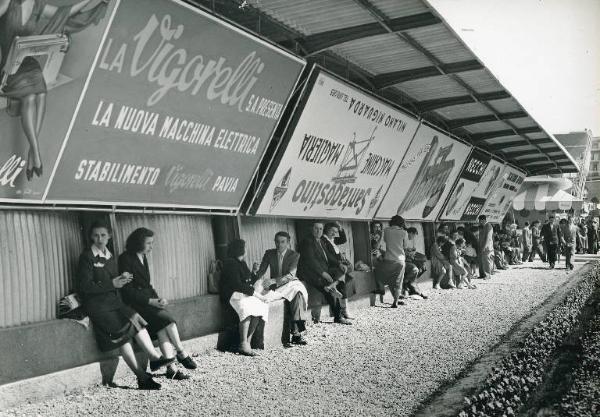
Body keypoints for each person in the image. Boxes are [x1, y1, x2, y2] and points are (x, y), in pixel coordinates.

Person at [0, 0, 110, 179]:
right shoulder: (8, 3)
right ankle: (35, 153)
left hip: (27, 63)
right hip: (7, 66)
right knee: (31, 96)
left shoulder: (37, 6)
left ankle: (32, 155)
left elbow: (64, 12)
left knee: (41, 94)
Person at [77, 222, 174, 390]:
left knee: (136, 319)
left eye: (103, 235)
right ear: (91, 237)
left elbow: (114, 281)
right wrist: (112, 283)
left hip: (114, 302)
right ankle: (142, 377)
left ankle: (154, 357)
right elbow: (85, 287)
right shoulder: (86, 257)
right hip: (98, 306)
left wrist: (122, 279)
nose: (99, 239)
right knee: (122, 335)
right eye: (95, 236)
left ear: (109, 236)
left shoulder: (111, 256)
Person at [118, 228, 196, 380]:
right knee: (168, 321)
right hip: (134, 305)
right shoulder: (125, 258)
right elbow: (127, 291)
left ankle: (171, 369)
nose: (151, 247)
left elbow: (147, 285)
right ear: (138, 242)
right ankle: (181, 352)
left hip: (147, 302)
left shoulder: (143, 257)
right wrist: (150, 301)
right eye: (148, 243)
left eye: (152, 243)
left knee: (162, 329)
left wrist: (158, 299)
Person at [253, 231, 309, 347]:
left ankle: (296, 333)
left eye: (283, 242)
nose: (279, 245)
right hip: (276, 286)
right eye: (277, 242)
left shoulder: (294, 255)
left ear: (288, 243)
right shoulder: (269, 253)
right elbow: (261, 272)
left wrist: (273, 280)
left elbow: (291, 275)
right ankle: (296, 333)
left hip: (290, 282)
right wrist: (255, 272)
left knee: (297, 293)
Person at [220, 239, 269, 356]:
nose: (246, 250)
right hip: (232, 295)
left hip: (243, 293)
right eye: (244, 247)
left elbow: (248, 281)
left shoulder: (242, 263)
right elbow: (236, 284)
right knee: (246, 309)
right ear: (240, 249)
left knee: (258, 307)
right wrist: (256, 294)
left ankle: (247, 343)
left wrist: (254, 272)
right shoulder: (230, 263)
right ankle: (243, 343)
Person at [298, 222, 351, 324]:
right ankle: (338, 317)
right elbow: (311, 261)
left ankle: (333, 285)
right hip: (312, 273)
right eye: (316, 229)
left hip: (323, 270)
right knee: (328, 289)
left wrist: (339, 263)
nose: (318, 231)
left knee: (343, 271)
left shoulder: (320, 241)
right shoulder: (307, 242)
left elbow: (328, 255)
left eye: (320, 229)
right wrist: (323, 273)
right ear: (312, 229)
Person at [321, 222, 356, 319]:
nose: (333, 233)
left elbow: (343, 239)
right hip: (330, 267)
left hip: (337, 267)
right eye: (332, 231)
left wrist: (341, 228)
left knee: (344, 281)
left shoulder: (332, 239)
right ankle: (345, 311)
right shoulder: (323, 240)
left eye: (335, 232)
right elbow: (328, 256)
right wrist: (339, 263)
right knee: (344, 280)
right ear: (326, 229)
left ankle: (334, 285)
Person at [477, 215, 494, 279]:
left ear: (482, 220)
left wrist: (484, 247)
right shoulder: (483, 226)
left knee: (486, 261)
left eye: (480, 221)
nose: (479, 222)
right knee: (481, 260)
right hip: (481, 246)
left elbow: (488, 237)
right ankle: (482, 274)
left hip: (486, 247)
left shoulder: (488, 226)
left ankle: (487, 275)